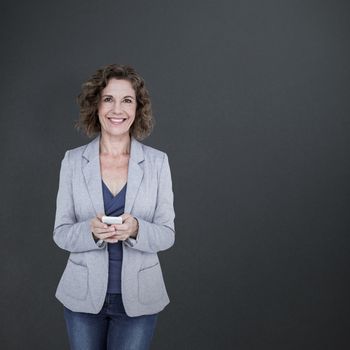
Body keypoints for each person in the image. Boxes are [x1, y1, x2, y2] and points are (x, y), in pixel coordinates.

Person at [53, 64, 176, 350]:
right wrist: (91, 232)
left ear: (138, 108)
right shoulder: (72, 161)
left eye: (127, 100)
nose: (117, 109)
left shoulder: (158, 163)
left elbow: (167, 234)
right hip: (82, 299)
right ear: (96, 105)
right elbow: (60, 232)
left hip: (139, 300)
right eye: (108, 99)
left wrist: (136, 230)